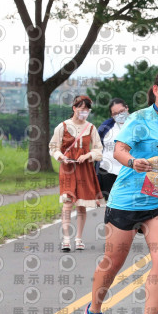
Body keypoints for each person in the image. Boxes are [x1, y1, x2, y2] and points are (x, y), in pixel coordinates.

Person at [85, 69, 158, 314]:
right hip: (126, 200)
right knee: (112, 264)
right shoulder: (140, 118)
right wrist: (133, 162)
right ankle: (94, 311)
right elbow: (119, 150)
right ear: (156, 90)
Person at [49, 95, 105, 252]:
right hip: (67, 169)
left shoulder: (91, 128)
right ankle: (66, 240)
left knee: (81, 205)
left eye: (87, 109)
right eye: (81, 109)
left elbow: (98, 150)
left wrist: (88, 156)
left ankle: (78, 238)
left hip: (85, 169)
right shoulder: (62, 127)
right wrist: (61, 157)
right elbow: (53, 147)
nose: (84, 112)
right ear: (74, 108)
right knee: (67, 203)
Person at [96, 98, 129, 200]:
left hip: (129, 173)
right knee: (111, 206)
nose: (119, 115)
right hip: (107, 172)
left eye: (121, 111)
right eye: (115, 114)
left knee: (128, 206)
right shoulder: (106, 127)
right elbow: (97, 146)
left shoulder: (138, 125)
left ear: (127, 108)